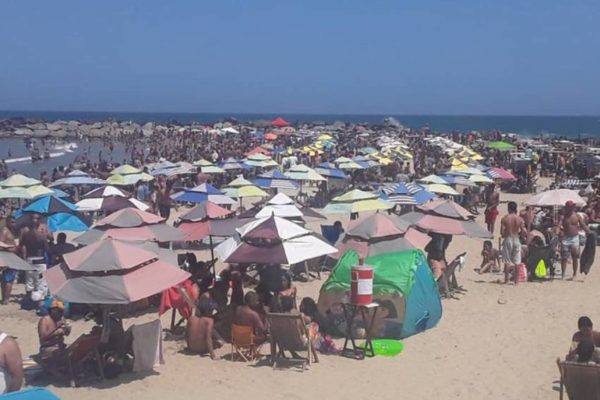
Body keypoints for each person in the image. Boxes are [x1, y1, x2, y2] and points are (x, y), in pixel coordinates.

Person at [21, 214, 50, 301]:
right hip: (40, 259)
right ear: (39, 222)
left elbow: (21, 245)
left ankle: (28, 300)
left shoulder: (25, 234)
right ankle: (40, 303)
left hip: (29, 259)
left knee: (29, 281)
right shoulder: (41, 236)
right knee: (40, 281)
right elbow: (47, 249)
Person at [559, 200, 590, 280]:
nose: (572, 208)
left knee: (575, 256)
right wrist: (557, 230)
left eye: (573, 206)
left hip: (575, 238)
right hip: (565, 238)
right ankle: (563, 274)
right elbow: (559, 225)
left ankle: (574, 274)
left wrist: (589, 232)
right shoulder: (563, 217)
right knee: (564, 257)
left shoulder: (577, 216)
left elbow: (583, 225)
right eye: (571, 207)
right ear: (567, 208)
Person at [500, 201, 527, 284]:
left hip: (508, 239)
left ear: (509, 208)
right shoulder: (520, 219)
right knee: (517, 262)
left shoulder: (505, 218)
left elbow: (502, 232)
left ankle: (506, 280)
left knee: (507, 261)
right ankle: (516, 281)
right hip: (516, 239)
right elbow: (523, 232)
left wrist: (504, 235)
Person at [0, 216, 18, 305]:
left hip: (11, 257)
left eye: (14, 222)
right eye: (12, 222)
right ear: (7, 222)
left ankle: (5, 298)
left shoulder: (11, 231)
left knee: (7, 278)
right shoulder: (5, 231)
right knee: (8, 279)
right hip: (8, 257)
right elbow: (1, 244)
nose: (14, 224)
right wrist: (10, 249)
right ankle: (5, 299)